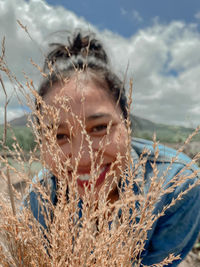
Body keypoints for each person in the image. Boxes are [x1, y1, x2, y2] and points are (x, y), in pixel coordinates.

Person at [26, 30, 200, 266]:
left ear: (127, 124)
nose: (82, 157)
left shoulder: (178, 184)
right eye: (59, 135)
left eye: (98, 128)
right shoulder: (41, 197)